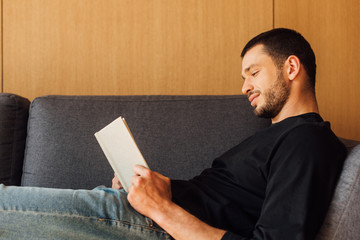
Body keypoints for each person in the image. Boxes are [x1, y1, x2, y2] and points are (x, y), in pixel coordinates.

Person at [0, 28, 346, 240]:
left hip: (152, 226)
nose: (245, 87)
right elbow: (220, 200)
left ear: (291, 67)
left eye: (253, 73)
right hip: (142, 215)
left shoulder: (308, 141)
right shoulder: (278, 137)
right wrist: (161, 188)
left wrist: (160, 208)